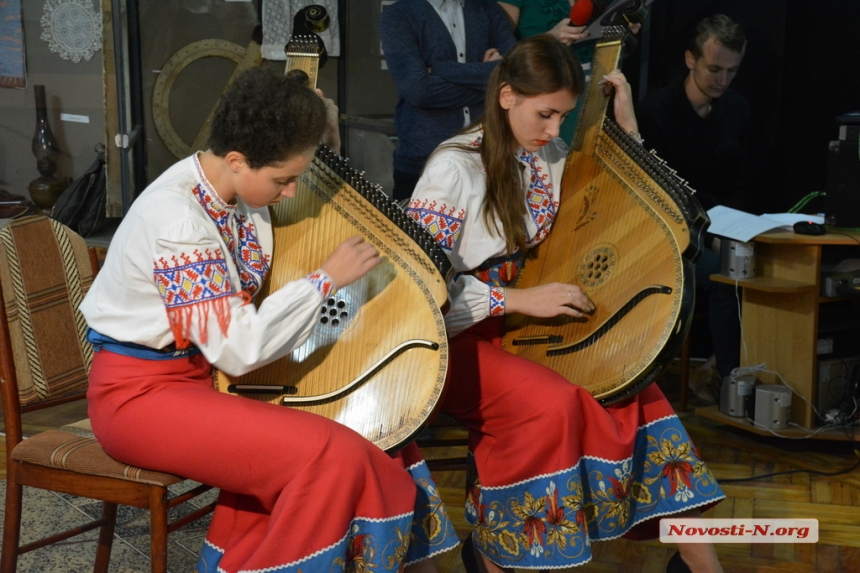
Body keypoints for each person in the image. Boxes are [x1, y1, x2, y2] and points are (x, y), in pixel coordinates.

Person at [79, 67, 459, 573]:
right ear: (237, 160)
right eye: (284, 180)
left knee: (382, 440)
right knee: (329, 457)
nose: (289, 192)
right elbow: (237, 349)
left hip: (209, 382)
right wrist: (325, 280)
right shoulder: (178, 221)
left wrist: (316, 125)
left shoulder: (235, 190)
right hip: (140, 400)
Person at [407, 35, 725, 572]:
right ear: (506, 96)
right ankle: (497, 553)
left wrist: (628, 130)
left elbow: (629, 206)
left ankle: (700, 566)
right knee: (551, 406)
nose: (555, 131)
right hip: (455, 339)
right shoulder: (453, 170)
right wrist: (518, 297)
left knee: (635, 389)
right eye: (546, 114)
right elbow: (417, 292)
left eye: (564, 117)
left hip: (530, 325)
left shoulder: (546, 153)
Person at [636, 14, 748, 391]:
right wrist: (711, 235)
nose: (723, 80)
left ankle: (732, 369)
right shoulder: (656, 111)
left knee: (772, 267)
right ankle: (732, 382)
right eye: (715, 69)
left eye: (732, 71)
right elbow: (663, 195)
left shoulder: (735, 110)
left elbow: (738, 184)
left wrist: (736, 229)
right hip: (669, 234)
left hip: (719, 225)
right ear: (690, 60)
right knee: (726, 276)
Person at [380, 0, 517, 201]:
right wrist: (489, 82)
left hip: (489, 157)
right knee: (413, 232)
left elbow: (515, 71)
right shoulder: (399, 14)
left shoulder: (487, 9)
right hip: (422, 161)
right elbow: (418, 90)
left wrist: (439, 69)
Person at [498, 0, 643, 144]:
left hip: (595, 92)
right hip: (541, 93)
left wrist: (623, 26)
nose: (554, 130)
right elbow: (499, 52)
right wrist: (548, 39)